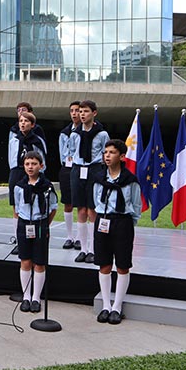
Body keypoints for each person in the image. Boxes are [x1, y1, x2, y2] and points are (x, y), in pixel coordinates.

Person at [93, 139, 142, 325]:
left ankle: (117, 306)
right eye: (105, 152)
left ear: (121, 157)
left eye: (112, 152)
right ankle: (106, 305)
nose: (107, 155)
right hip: (103, 220)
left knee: (122, 264)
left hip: (122, 222)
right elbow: (95, 200)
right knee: (104, 264)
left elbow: (136, 206)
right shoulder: (99, 178)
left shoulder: (131, 181)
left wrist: (127, 224)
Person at [14, 151, 57, 313]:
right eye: (27, 164)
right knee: (25, 260)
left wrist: (45, 225)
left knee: (39, 262)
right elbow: (17, 208)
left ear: (41, 166)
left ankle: (36, 298)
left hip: (40, 224)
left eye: (34, 164)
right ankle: (26, 296)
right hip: (24, 223)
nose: (30, 167)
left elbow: (53, 207)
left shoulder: (47, 187)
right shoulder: (19, 186)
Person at [70, 100, 110, 264]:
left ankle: (93, 249)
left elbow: (105, 153)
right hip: (79, 169)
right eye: (80, 111)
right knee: (81, 209)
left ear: (94, 113)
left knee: (92, 210)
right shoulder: (74, 133)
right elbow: (72, 151)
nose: (82, 114)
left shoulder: (102, 134)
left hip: (94, 170)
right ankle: (83, 249)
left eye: (86, 111)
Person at [8, 111, 47, 224]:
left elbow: (42, 159)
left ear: (32, 124)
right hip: (17, 171)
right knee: (16, 203)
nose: (23, 123)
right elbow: (11, 156)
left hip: (31, 173)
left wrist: (39, 174)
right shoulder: (14, 140)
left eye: (26, 121)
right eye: (21, 121)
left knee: (31, 200)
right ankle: (17, 233)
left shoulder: (38, 141)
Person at [58, 101, 81, 250]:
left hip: (82, 168)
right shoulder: (65, 132)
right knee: (68, 203)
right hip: (67, 168)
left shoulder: (88, 131)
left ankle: (80, 237)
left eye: (77, 110)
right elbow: (62, 153)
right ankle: (69, 236)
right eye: (71, 111)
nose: (74, 113)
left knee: (81, 203)